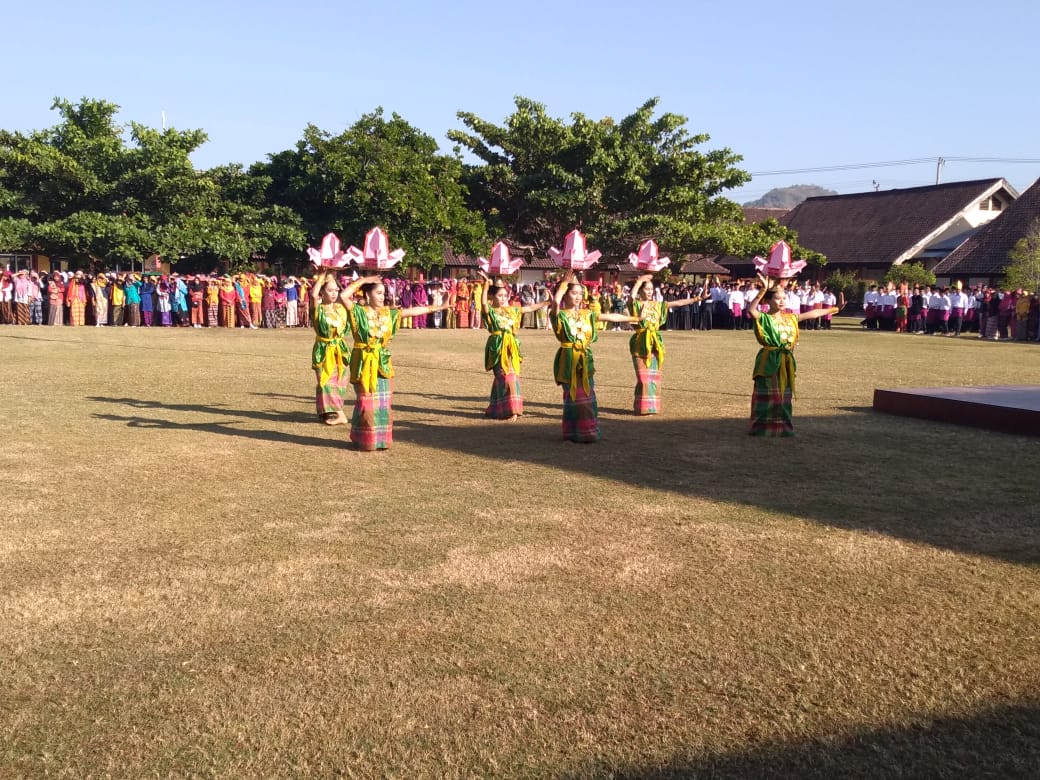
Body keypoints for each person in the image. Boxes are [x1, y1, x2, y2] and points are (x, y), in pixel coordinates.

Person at [341, 274, 450, 451]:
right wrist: (363, 280)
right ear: (368, 295)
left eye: (384, 293)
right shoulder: (358, 311)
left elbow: (413, 311)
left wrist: (440, 307)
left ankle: (381, 440)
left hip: (383, 362)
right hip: (363, 361)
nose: (383, 296)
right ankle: (364, 439)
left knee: (383, 402)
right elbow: (344, 296)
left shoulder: (389, 314)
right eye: (378, 293)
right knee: (366, 402)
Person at [549, 270, 636, 442]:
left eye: (580, 293)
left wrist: (634, 317)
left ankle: (588, 431)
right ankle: (572, 432)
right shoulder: (559, 316)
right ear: (565, 294)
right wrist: (564, 284)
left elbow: (609, 316)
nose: (578, 297)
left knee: (588, 395)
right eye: (574, 293)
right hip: (568, 360)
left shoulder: (587, 314)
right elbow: (555, 304)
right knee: (573, 396)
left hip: (585, 359)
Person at [747, 275, 839, 437]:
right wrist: (763, 289)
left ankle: (783, 427)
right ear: (768, 301)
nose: (782, 301)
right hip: (768, 360)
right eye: (777, 298)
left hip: (786, 361)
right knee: (768, 394)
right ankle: (762, 428)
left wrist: (833, 309)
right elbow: (752, 310)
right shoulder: (763, 318)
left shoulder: (791, 318)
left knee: (784, 396)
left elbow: (813, 313)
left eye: (784, 298)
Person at [628, 274, 709, 415]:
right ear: (640, 290)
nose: (649, 292)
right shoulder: (636, 304)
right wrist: (639, 281)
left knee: (653, 377)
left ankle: (650, 407)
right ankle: (641, 406)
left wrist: (698, 298)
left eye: (651, 289)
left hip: (655, 343)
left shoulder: (659, 305)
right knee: (643, 377)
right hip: (640, 342)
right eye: (646, 289)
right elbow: (631, 297)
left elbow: (678, 303)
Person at [477, 271, 550, 421]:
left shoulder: (512, 310)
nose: (504, 299)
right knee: (501, 377)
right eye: (500, 295)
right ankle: (499, 409)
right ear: (493, 297)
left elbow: (529, 308)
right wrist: (485, 285)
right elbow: (483, 303)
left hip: (511, 347)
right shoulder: (490, 311)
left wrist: (546, 303)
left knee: (512, 377)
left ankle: (513, 411)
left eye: (505, 295)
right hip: (497, 346)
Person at [310, 271, 352, 426]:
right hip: (323, 349)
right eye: (330, 290)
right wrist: (321, 276)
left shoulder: (341, 309)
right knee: (325, 381)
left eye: (336, 290)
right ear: (322, 291)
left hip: (340, 349)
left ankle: (328, 411)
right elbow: (313, 296)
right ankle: (340, 415)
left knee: (340, 381)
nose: (334, 293)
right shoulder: (318, 309)